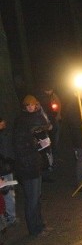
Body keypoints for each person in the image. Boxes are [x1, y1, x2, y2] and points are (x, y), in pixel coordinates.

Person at [13, 96, 49, 236]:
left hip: (34, 164)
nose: (30, 107)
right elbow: (22, 146)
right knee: (32, 199)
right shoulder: (22, 121)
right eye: (27, 105)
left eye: (33, 105)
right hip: (28, 167)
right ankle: (35, 229)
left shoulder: (30, 120)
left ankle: (40, 224)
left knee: (37, 197)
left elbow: (45, 124)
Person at [0, 117, 17, 227]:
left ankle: (8, 217)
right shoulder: (4, 135)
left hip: (6, 166)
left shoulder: (6, 134)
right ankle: (10, 217)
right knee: (8, 194)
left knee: (8, 194)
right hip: (4, 168)